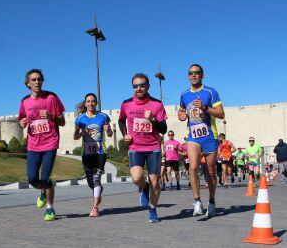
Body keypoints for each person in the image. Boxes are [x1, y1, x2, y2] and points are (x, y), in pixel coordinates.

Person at [119, 73, 168, 223]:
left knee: (155, 181)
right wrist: (125, 134)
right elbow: (121, 120)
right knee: (137, 177)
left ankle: (152, 209)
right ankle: (144, 187)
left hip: (153, 147)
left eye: (141, 85)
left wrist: (153, 118)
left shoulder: (157, 104)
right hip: (135, 146)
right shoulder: (126, 104)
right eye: (135, 86)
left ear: (148, 86)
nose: (138, 88)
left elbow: (164, 129)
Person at [18, 68, 65, 221]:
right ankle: (43, 191)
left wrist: (51, 116)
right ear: (27, 84)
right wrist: (22, 123)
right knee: (32, 179)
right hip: (33, 145)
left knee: (45, 178)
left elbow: (62, 122)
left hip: (50, 143)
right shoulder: (25, 101)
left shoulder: (52, 97)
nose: (37, 82)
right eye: (34, 80)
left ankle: (50, 209)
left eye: (39, 79)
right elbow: (21, 121)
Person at [178, 64, 224, 217]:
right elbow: (181, 111)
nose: (194, 75)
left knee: (210, 171)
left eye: (197, 73)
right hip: (192, 136)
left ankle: (211, 201)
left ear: (202, 75)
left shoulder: (211, 91)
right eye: (191, 73)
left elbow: (221, 114)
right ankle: (197, 202)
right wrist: (181, 116)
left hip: (209, 136)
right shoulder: (184, 94)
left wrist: (205, 108)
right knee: (193, 167)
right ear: (188, 76)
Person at [74, 93, 113, 217]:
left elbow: (111, 134)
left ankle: (95, 208)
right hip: (86, 153)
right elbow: (75, 137)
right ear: (85, 104)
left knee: (97, 178)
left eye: (93, 101)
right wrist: (82, 133)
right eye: (88, 101)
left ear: (96, 103)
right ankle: (98, 190)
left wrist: (108, 130)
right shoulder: (80, 119)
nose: (91, 103)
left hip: (100, 152)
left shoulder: (103, 117)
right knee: (91, 182)